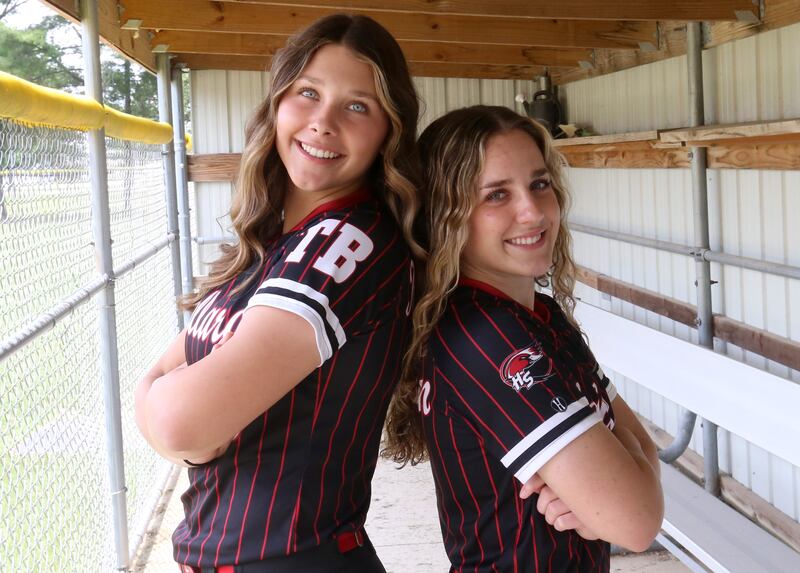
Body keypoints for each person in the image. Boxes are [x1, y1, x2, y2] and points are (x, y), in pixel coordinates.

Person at [135, 14, 421, 573]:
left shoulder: (347, 240)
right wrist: (172, 419)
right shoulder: (272, 240)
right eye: (307, 94)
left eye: (357, 106)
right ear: (277, 104)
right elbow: (158, 383)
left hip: (295, 557)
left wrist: (175, 427)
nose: (323, 123)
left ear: (390, 129)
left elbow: (177, 420)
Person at [383, 105, 663, 572]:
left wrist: (623, 481)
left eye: (539, 184)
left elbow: (641, 449)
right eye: (496, 195)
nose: (533, 212)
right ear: (446, 216)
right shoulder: (488, 338)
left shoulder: (538, 314)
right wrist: (619, 489)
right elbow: (637, 522)